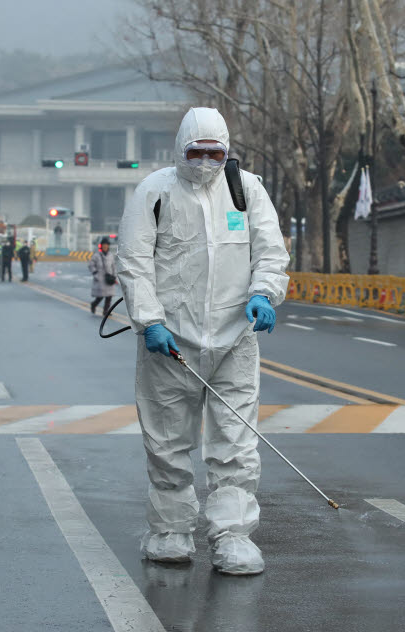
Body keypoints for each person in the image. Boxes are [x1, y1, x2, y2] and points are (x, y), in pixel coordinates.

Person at [117, 107, 289, 575]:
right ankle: (170, 530)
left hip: (235, 339)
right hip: (169, 342)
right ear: (181, 150)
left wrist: (263, 293)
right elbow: (134, 261)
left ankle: (233, 536)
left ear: (228, 151)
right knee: (168, 440)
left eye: (217, 152)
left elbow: (270, 251)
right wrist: (149, 320)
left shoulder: (246, 190)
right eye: (197, 152)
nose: (207, 161)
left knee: (236, 442)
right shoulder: (155, 190)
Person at [89, 238, 117, 315]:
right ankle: (94, 304)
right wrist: (95, 273)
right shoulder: (96, 255)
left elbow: (113, 266)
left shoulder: (110, 255)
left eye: (107, 245)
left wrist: (114, 276)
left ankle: (106, 311)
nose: (105, 246)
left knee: (109, 296)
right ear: (101, 246)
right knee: (100, 296)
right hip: (100, 278)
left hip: (109, 278)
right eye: (104, 245)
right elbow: (91, 265)